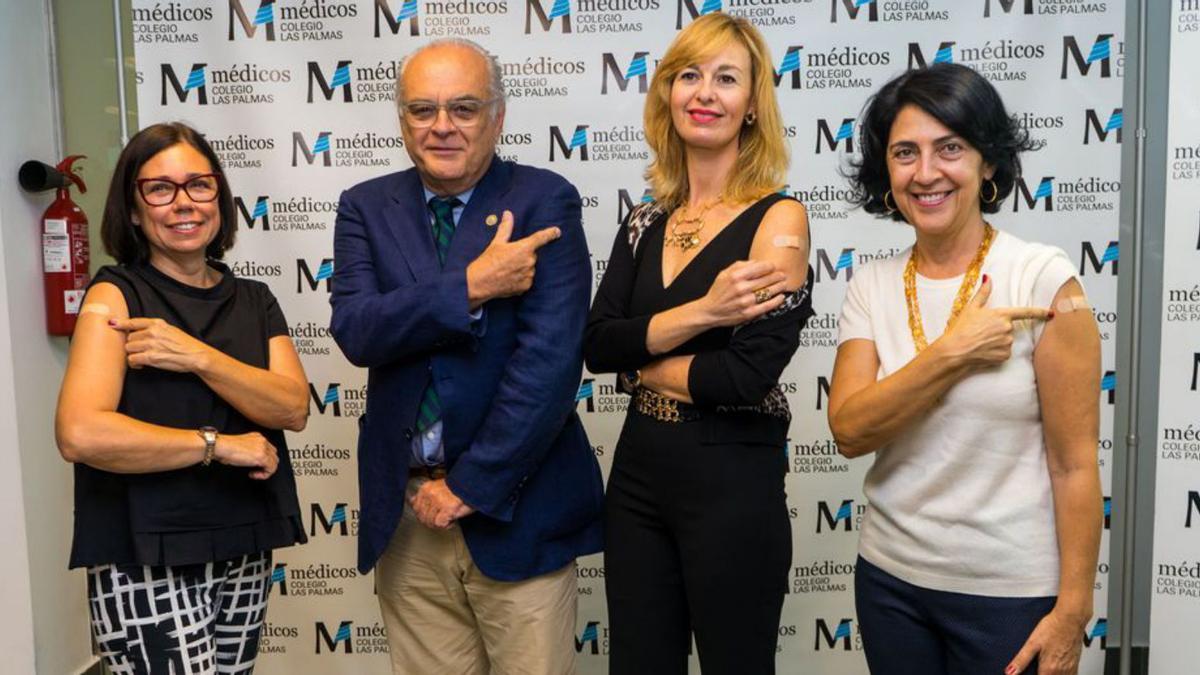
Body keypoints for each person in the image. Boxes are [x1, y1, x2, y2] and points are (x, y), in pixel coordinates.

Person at [329, 38, 603, 674]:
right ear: (402, 121)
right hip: (407, 516)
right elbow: (358, 330)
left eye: (464, 108)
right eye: (422, 110)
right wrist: (473, 287)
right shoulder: (366, 206)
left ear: (498, 118)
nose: (442, 127)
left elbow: (550, 368)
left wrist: (469, 487)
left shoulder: (544, 200)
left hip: (516, 510)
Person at [828, 62, 1103, 675]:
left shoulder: (1042, 278)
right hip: (890, 583)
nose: (926, 173)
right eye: (905, 153)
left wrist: (1073, 612)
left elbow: (1075, 462)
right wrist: (954, 353)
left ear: (987, 164)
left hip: (1010, 595)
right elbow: (849, 430)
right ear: (886, 173)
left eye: (949, 148)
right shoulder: (871, 286)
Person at [583, 13, 813, 674]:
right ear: (667, 94)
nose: (704, 92)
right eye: (689, 74)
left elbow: (742, 377)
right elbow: (598, 345)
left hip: (732, 478)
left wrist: (638, 363)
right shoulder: (644, 218)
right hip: (637, 474)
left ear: (751, 106)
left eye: (725, 78)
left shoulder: (780, 219)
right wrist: (705, 311)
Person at [54, 122, 309, 673]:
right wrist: (218, 445)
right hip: (146, 552)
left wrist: (198, 356)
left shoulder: (255, 299)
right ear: (134, 207)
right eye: (160, 189)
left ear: (219, 194)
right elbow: (80, 433)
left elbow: (290, 407)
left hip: (242, 539)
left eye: (198, 184)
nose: (183, 203)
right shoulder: (114, 295)